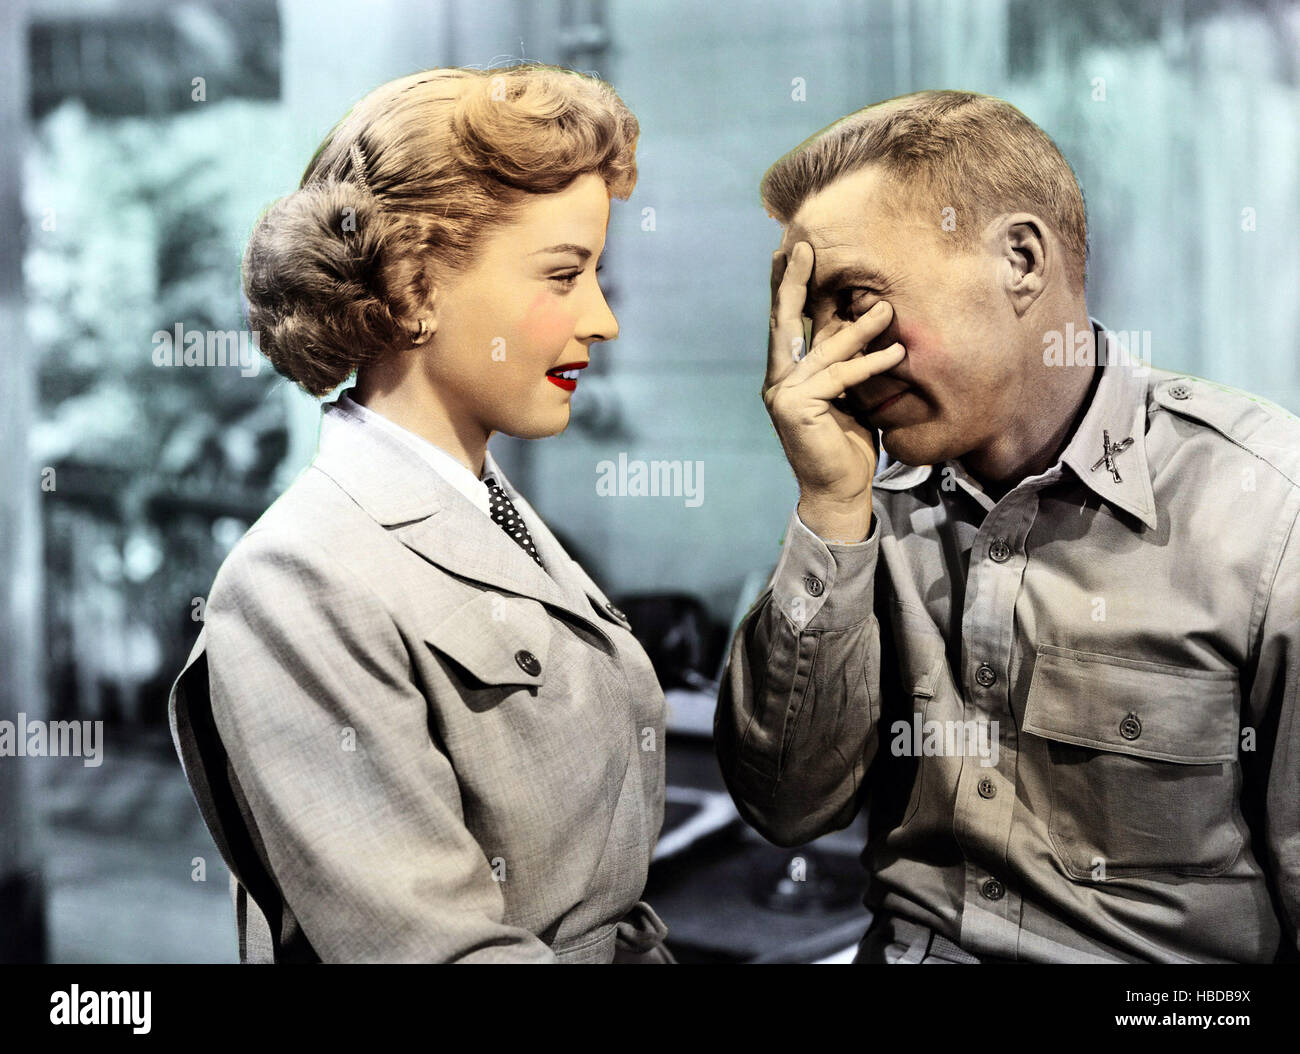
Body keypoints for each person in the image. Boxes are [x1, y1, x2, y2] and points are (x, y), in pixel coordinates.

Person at [715, 89, 1299, 964]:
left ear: (1021, 259)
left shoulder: (1267, 512)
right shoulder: (871, 500)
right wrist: (830, 512)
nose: (826, 359)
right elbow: (785, 807)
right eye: (812, 321)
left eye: (854, 300)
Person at [167, 65, 672, 963]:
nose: (602, 320)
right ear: (415, 287)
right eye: (565, 275)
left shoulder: (490, 509)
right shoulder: (299, 580)